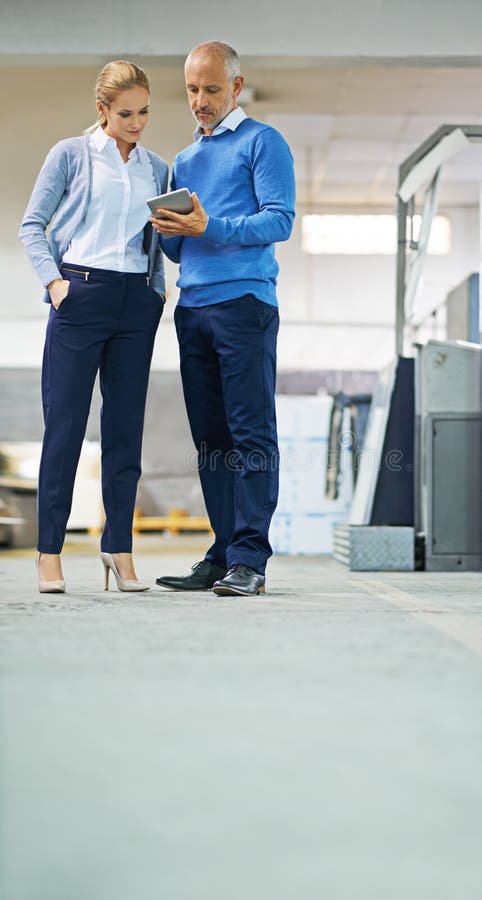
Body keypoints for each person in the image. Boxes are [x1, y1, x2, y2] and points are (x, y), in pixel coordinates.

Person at [19, 60, 169, 594]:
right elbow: (32, 225)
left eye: (145, 111)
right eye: (126, 113)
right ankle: (49, 552)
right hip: (79, 294)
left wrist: (157, 282)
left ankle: (119, 549)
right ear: (102, 110)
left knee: (125, 433)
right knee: (65, 428)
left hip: (135, 302)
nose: (137, 122)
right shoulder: (71, 155)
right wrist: (56, 285)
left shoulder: (157, 167)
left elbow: (165, 245)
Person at [153, 41, 295, 597]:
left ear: (236, 87)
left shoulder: (264, 142)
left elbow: (278, 221)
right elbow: (181, 251)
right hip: (192, 309)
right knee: (211, 439)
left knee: (251, 433)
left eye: (212, 89)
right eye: (192, 90)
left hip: (245, 306)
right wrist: (167, 233)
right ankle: (221, 553)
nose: (200, 101)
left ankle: (250, 560)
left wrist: (206, 227)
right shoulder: (184, 162)